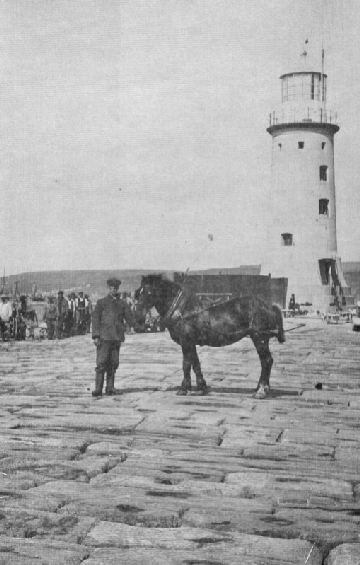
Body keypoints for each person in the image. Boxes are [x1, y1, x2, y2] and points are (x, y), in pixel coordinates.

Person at [91, 278, 133, 397]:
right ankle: (98, 389)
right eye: (111, 288)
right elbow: (95, 319)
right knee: (101, 363)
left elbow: (130, 318)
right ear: (108, 288)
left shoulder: (122, 303)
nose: (113, 290)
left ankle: (110, 388)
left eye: (115, 288)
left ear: (118, 289)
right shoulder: (101, 303)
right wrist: (96, 336)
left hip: (116, 338)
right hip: (104, 338)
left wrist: (139, 325)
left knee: (113, 363)